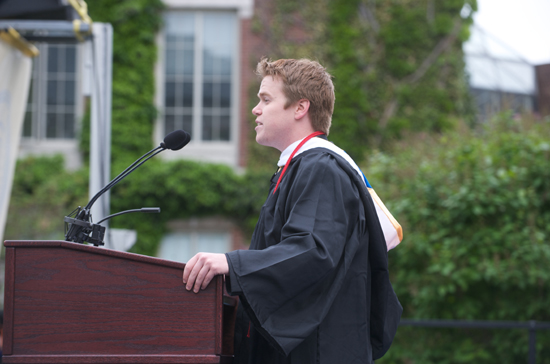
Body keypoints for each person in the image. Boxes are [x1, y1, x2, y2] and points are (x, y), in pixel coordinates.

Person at [183, 58, 402, 364]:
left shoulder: (321, 169)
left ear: (300, 108)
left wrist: (233, 264)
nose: (255, 110)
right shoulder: (301, 167)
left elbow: (313, 250)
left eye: (266, 100)